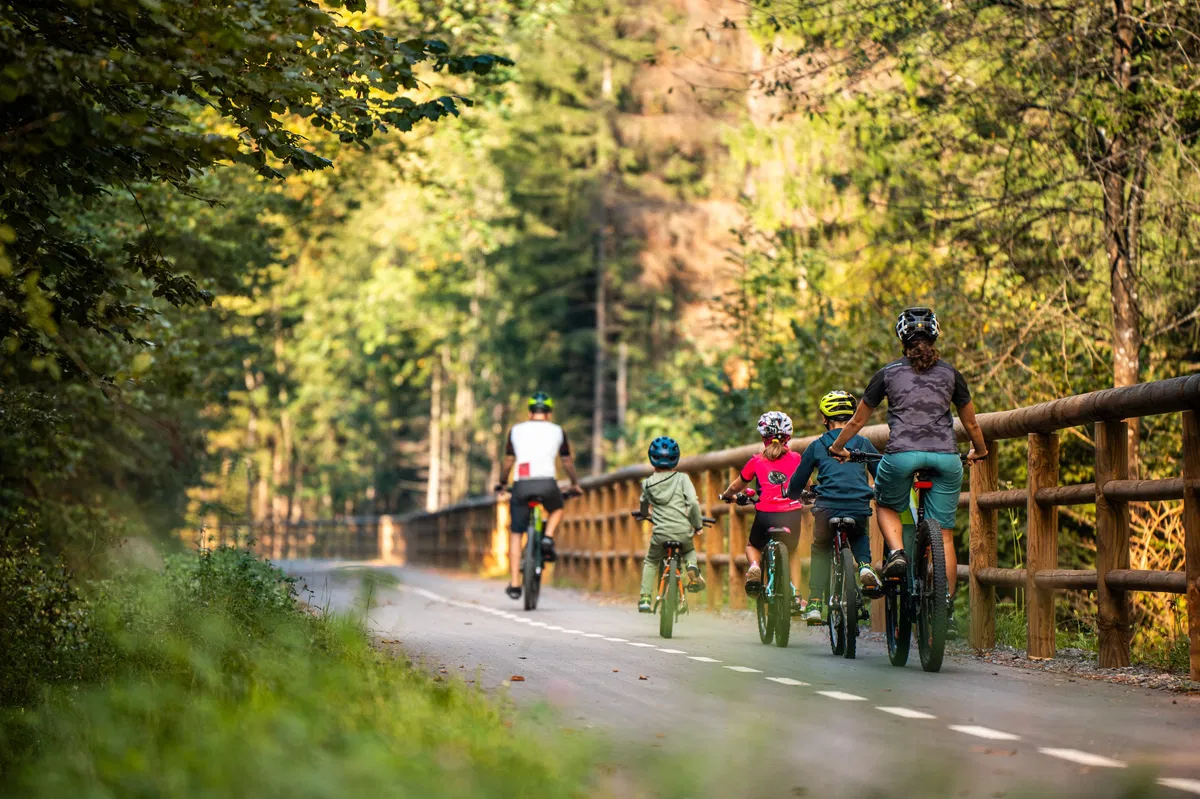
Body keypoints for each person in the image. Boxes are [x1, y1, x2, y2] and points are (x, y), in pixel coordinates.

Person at [828, 308, 988, 631]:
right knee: (944, 536)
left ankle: (899, 552)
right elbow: (971, 423)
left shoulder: (886, 374)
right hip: (946, 458)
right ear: (935, 337)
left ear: (902, 341)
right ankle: (945, 609)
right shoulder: (952, 374)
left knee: (885, 502)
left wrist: (838, 447)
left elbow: (857, 421)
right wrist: (980, 450)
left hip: (901, 456)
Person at [785, 391, 881, 624]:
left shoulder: (817, 445)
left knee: (820, 547)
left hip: (827, 507)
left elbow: (798, 481)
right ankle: (865, 566)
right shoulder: (863, 443)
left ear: (824, 419)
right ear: (852, 417)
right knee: (859, 533)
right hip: (857, 504)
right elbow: (880, 472)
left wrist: (793, 494)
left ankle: (815, 602)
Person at [497, 391, 582, 600]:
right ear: (549, 413)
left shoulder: (516, 430)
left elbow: (508, 461)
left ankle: (515, 584)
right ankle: (547, 537)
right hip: (547, 484)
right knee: (557, 508)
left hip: (522, 485)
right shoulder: (557, 431)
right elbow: (567, 461)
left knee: (516, 533)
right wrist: (574, 483)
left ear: (530, 412)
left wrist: (502, 482)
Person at [719, 411, 805, 614]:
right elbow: (806, 484)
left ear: (762, 437)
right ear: (788, 437)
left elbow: (737, 485)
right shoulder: (796, 458)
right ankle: (796, 595)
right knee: (792, 552)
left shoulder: (757, 461)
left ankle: (755, 566)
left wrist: (727, 495)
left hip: (766, 515)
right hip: (791, 515)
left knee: (752, 545)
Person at [637, 436, 706, 612]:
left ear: (652, 459)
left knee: (651, 560)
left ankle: (645, 598)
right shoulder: (683, 479)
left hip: (660, 534)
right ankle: (691, 567)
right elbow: (692, 503)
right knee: (689, 550)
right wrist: (698, 525)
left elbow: (643, 505)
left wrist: (644, 514)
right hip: (683, 532)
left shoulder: (647, 483)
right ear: (676, 459)